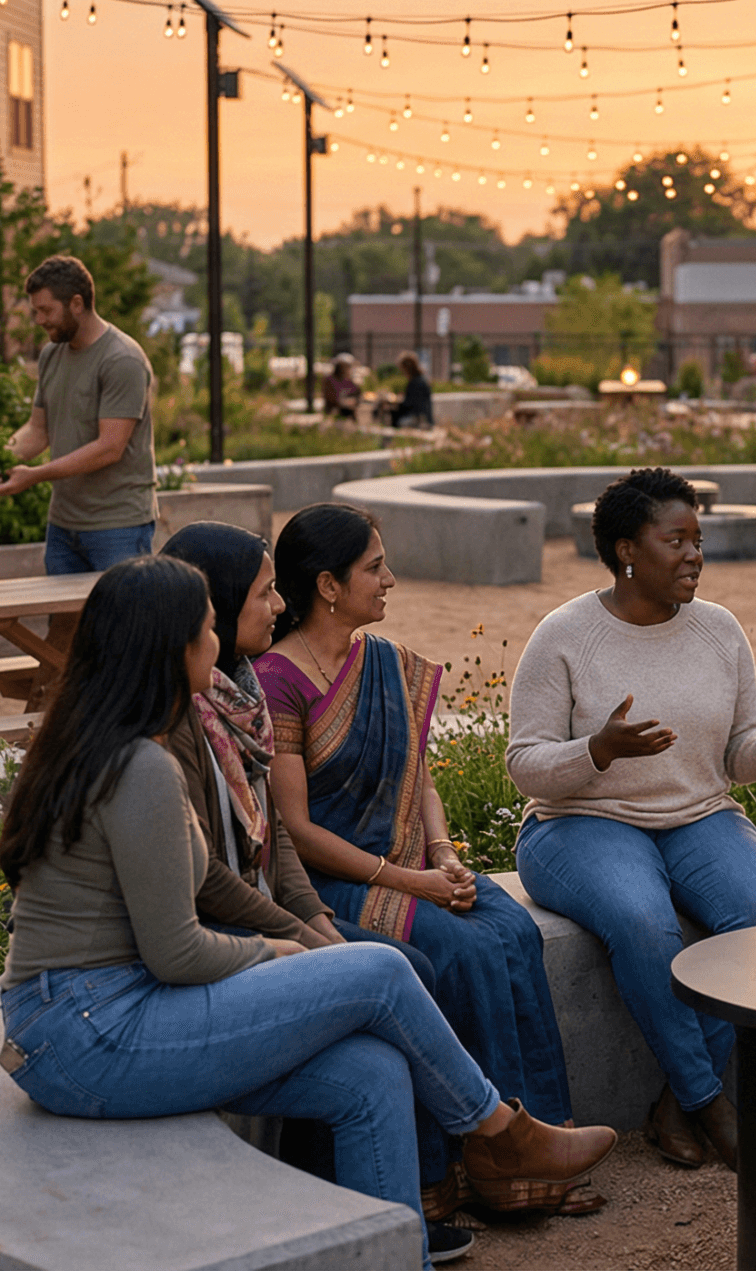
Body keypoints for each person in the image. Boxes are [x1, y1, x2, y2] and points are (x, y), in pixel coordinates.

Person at [0, 555, 616, 1269]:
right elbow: (177, 953)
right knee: (380, 972)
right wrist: (280, 953)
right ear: (172, 650)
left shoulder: (113, 744)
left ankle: (400, 1254)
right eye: (204, 629)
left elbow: (210, 890)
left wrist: (297, 931)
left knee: (372, 1073)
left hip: (98, 1016)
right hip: (86, 1031)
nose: (216, 641)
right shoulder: (140, 766)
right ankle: (499, 1132)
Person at [159, 520, 494, 1234]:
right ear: (209, 611)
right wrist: (303, 936)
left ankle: (418, 1196)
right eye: (262, 593)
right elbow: (212, 880)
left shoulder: (234, 695)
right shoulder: (174, 731)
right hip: (204, 952)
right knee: (399, 970)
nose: (275, 608)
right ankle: (490, 1138)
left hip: (262, 918)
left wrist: (315, 920)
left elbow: (273, 843)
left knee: (438, 958)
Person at [256, 503, 582, 1210]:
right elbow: (297, 831)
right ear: (329, 585)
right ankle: (457, 1166)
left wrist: (442, 852)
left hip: (416, 862)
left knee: (515, 934)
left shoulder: (384, 662)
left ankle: (537, 1142)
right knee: (458, 955)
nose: (391, 579)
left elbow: (418, 771)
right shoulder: (277, 679)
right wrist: (416, 883)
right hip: (334, 879)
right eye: (375, 567)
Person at [509, 468, 756, 1173]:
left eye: (698, 540)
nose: (693, 555)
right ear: (626, 550)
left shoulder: (719, 631)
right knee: (645, 923)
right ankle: (711, 1103)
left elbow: (737, 760)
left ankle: (677, 1103)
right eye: (674, 540)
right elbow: (524, 764)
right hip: (580, 821)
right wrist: (598, 750)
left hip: (696, 815)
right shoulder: (565, 635)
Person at [0, 255, 158, 575]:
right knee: (64, 626)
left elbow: (110, 447)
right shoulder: (51, 354)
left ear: (76, 304)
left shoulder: (122, 360)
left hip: (118, 525)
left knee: (123, 622)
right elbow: (38, 430)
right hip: (63, 525)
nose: (39, 320)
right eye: (35, 311)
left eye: (46, 310)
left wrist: (35, 475)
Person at [391, 352, 435, 429]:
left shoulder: (415, 383)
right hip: (423, 417)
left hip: (419, 419)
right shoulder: (420, 380)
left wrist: (397, 402)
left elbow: (410, 405)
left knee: (393, 417)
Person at [324, 354, 363, 423]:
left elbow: (358, 396)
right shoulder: (330, 380)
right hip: (334, 412)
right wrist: (343, 402)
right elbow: (330, 398)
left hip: (349, 412)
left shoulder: (351, 381)